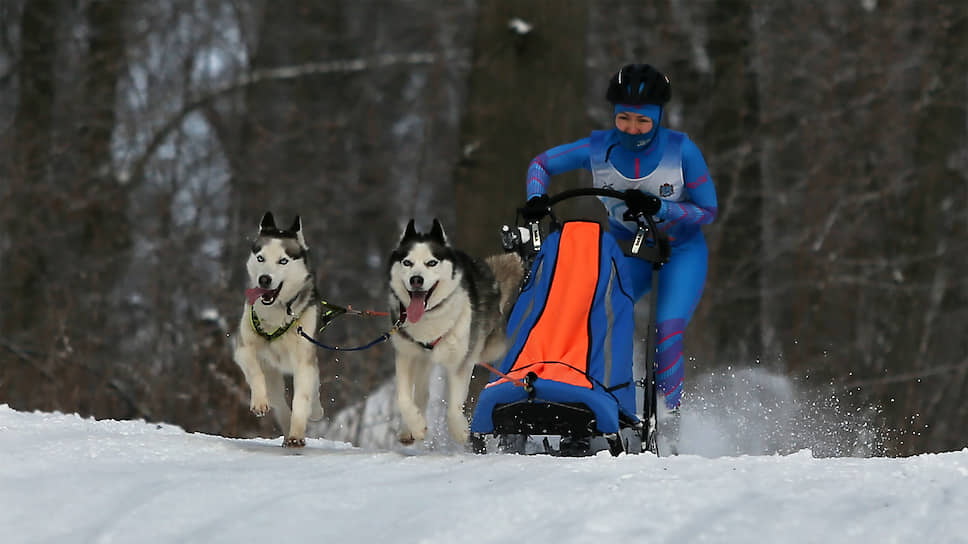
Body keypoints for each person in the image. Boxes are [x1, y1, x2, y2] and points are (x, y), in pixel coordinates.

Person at [521, 63, 718, 451]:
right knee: (589, 319)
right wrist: (535, 199)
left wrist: (662, 208)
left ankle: (670, 423)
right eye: (623, 118)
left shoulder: (682, 151)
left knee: (666, 330)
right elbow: (541, 164)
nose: (630, 128)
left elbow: (707, 211)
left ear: (659, 118)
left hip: (680, 251)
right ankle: (592, 412)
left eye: (642, 121)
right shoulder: (598, 147)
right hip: (628, 249)